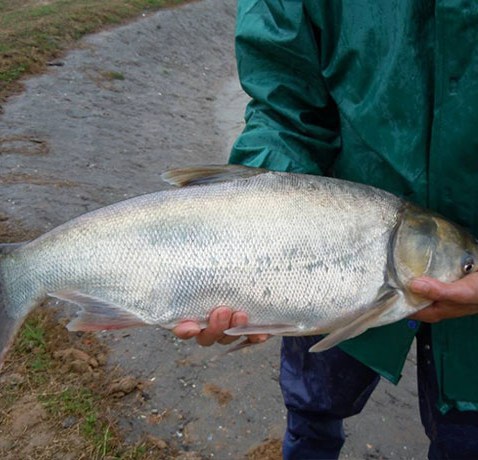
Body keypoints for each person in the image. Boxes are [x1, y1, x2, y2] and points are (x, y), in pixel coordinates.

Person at [175, 1, 478, 458]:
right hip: (327, 253)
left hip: (456, 273)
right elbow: (284, 108)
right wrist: (254, 246)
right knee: (312, 411)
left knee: (466, 439)